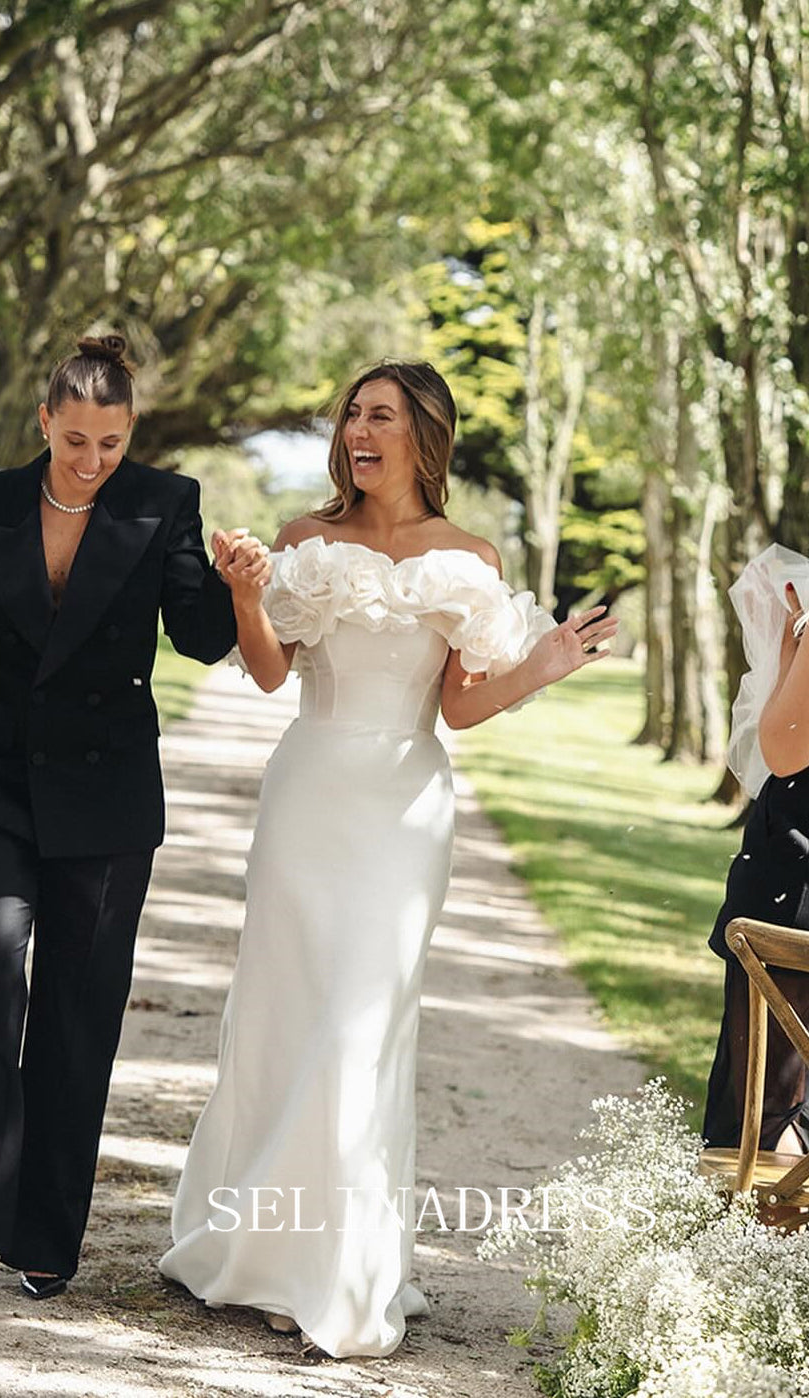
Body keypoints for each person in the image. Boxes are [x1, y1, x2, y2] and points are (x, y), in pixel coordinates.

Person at [157, 358, 619, 1358]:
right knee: (286, 1017)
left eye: (381, 416)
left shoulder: (468, 557)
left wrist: (542, 666)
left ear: (423, 434)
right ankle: (266, 1254)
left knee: (361, 1027)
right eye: (351, 416)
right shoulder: (304, 540)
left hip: (402, 815)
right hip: (306, 798)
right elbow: (270, 674)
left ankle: (343, 1270)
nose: (358, 432)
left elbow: (459, 707)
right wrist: (246, 592)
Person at [0, 332, 267, 1300]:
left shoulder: (164, 502)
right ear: (44, 420)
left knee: (78, 1012)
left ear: (130, 433)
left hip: (107, 792)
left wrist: (236, 585)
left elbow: (197, 639)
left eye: (112, 442)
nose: (93, 461)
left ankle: (44, 1234)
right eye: (76, 440)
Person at [703, 543, 809, 1160]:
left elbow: (785, 748)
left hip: (795, 886)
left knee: (768, 1118)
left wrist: (795, 648)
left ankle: (764, 1213)